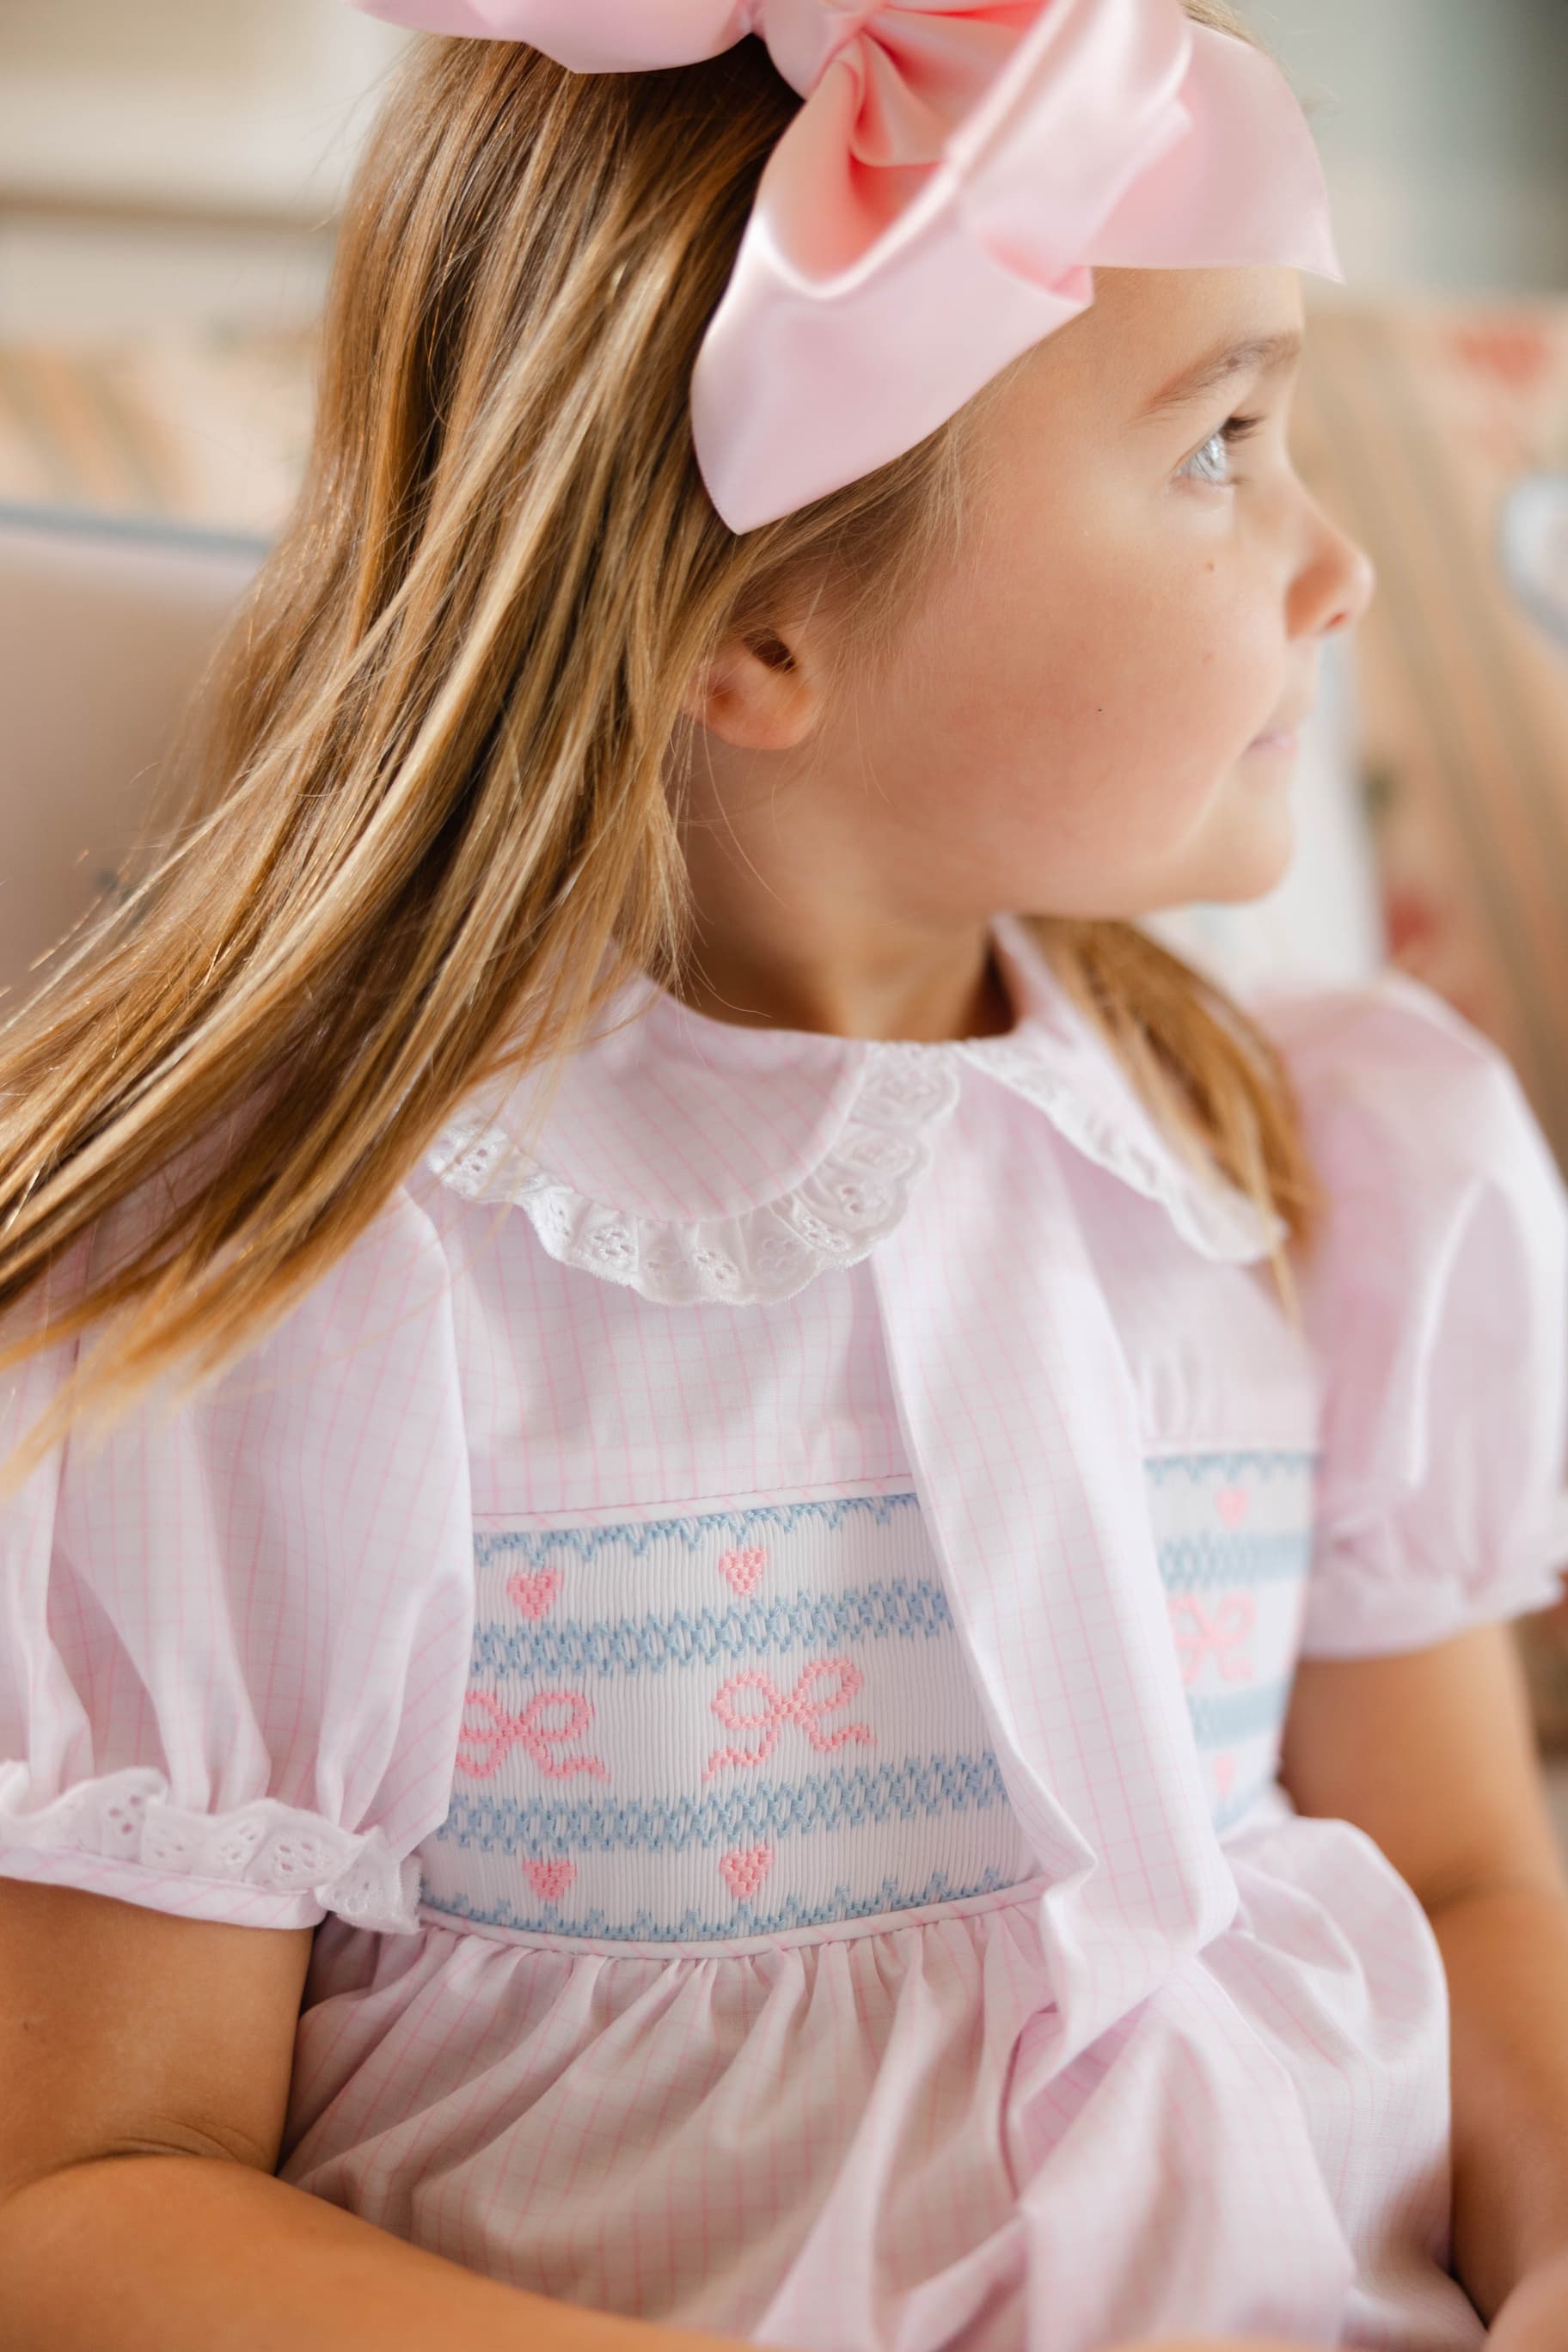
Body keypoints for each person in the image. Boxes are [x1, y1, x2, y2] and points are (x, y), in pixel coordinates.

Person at [3, 3, 1568, 2347]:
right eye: (1224, 444)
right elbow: (89, 2192)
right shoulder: (294, 1291)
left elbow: (1456, 1878)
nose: (1335, 563)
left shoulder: (1325, 1166)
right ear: (755, 632)